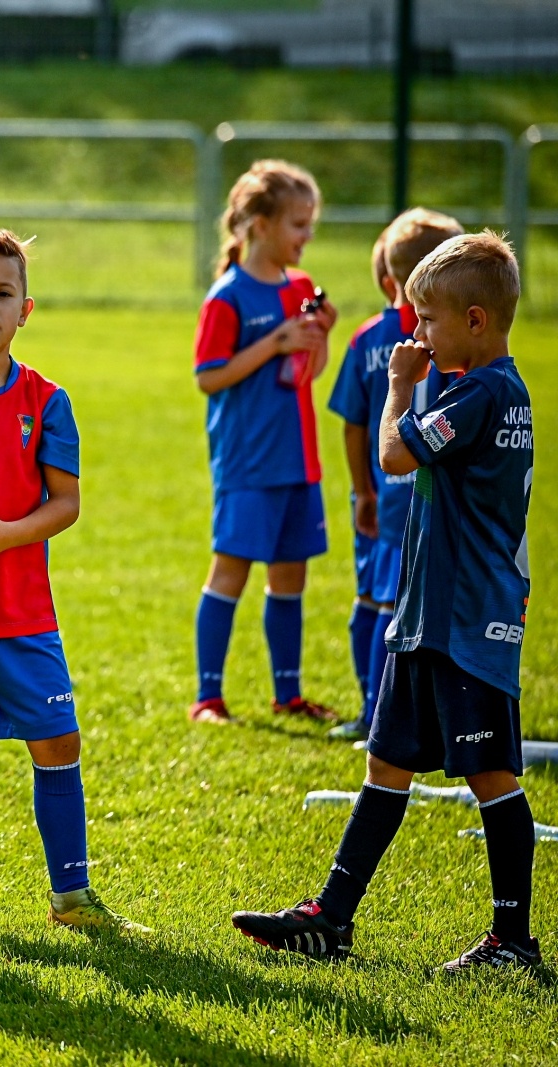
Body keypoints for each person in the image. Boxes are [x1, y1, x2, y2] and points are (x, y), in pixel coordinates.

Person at [232, 232, 537, 973]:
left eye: (426, 321)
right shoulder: (481, 385)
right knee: (387, 762)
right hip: (427, 612)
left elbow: (395, 453)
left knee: (491, 775)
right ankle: (332, 917)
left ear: (473, 320)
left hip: (467, 617)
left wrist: (399, 384)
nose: (416, 334)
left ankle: (513, 940)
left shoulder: (485, 390)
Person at [0, 229, 146, 935]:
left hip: (22, 609)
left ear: (27, 310)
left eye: (2, 293)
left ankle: (72, 898)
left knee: (58, 740)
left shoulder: (47, 399)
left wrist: (0, 538)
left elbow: (65, 502)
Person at [188, 159, 340, 726]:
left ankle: (289, 694)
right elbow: (208, 376)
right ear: (259, 224)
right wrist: (274, 341)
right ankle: (208, 698)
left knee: (290, 574)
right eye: (298, 224)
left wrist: (317, 336)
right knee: (230, 570)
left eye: (310, 225)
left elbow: (309, 370)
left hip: (298, 458)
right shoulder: (227, 297)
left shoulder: (301, 288)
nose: (306, 236)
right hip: (248, 460)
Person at [325, 209, 464, 741]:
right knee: (397, 605)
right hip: (426, 492)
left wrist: (361, 490)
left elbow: (352, 425)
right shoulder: (446, 336)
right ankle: (381, 716)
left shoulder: (367, 339)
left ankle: (373, 707)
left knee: (375, 597)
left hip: (385, 492)